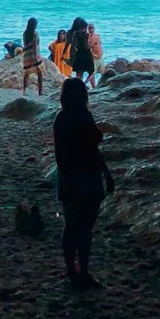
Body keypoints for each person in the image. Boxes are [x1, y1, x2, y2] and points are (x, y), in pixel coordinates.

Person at [53, 77, 115, 288]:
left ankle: (73, 270)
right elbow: (92, 147)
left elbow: (64, 155)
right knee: (84, 228)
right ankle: (82, 271)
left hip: (74, 177)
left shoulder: (62, 118)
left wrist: (67, 178)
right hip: (86, 176)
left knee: (72, 227)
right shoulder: (80, 117)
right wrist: (106, 174)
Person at [65, 17, 96, 88]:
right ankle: (89, 85)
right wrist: (92, 45)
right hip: (86, 55)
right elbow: (86, 46)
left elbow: (70, 44)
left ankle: (78, 86)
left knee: (79, 72)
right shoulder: (85, 34)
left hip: (77, 55)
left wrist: (66, 53)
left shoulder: (73, 33)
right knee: (91, 72)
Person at [22, 17, 44, 95]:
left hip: (27, 55)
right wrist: (36, 56)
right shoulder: (35, 33)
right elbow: (35, 45)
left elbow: (25, 44)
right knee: (40, 73)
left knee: (26, 74)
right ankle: (40, 92)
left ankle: (24, 91)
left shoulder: (25, 33)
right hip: (34, 55)